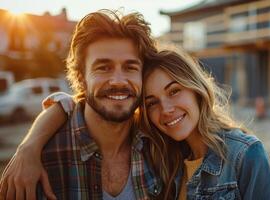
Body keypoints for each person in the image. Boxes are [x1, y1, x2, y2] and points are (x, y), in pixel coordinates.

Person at [1, 45, 270, 199]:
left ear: (196, 89)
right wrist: (29, 147)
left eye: (174, 91)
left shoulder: (245, 154)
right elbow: (76, 103)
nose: (167, 109)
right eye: (152, 102)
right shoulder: (163, 152)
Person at [0, 9, 166, 199]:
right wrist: (28, 148)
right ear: (81, 78)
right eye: (103, 67)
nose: (118, 81)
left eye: (130, 67)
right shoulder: (41, 161)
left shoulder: (160, 149)